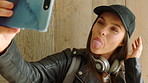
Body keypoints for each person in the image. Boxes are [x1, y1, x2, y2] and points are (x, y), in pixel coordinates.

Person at [0, 0, 144, 83]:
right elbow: (29, 76)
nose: (102, 31)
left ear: (122, 42)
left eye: (114, 29)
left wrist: (133, 66)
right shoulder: (71, 62)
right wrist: (4, 44)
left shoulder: (127, 76)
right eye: (100, 22)